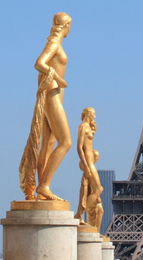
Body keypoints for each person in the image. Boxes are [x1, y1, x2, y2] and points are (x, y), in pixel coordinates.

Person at [19, 12, 72, 200]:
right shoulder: (54, 43)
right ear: (66, 25)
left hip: (54, 95)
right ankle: (44, 185)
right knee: (65, 142)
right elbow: (39, 63)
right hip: (52, 95)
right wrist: (59, 79)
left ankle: (41, 190)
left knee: (48, 144)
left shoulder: (56, 42)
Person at [74, 108, 104, 231]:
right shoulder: (83, 127)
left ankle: (83, 212)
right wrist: (86, 166)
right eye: (93, 114)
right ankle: (80, 213)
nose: (94, 116)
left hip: (91, 163)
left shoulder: (88, 127)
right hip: (89, 164)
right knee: (99, 189)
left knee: (95, 191)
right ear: (87, 114)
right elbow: (79, 147)